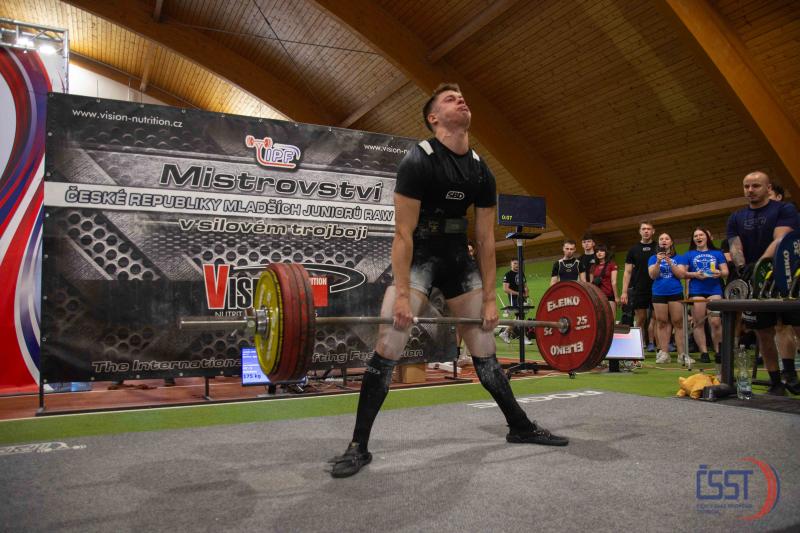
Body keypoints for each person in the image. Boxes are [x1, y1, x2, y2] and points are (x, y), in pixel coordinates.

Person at [328, 83, 568, 478]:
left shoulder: (480, 170)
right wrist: (402, 295)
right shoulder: (418, 160)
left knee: (485, 348)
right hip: (420, 253)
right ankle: (358, 446)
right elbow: (403, 234)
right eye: (449, 99)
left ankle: (520, 426)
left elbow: (485, 240)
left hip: (458, 257)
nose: (461, 99)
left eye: (461, 97)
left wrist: (489, 299)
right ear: (434, 118)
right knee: (390, 341)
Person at [727, 171, 799, 395]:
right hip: (755, 282)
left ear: (768, 188)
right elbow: (735, 246)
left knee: (793, 327)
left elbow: (781, 239)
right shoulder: (736, 217)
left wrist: (760, 264)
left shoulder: (784, 210)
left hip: (785, 278)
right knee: (763, 332)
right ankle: (776, 383)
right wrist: (742, 267)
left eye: (756, 186)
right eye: (746, 186)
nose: (750, 190)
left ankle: (791, 374)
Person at [767, 185, 800, 391]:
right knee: (780, 325)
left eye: (769, 196)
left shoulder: (793, 218)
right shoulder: (766, 225)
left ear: (779, 197)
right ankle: (789, 373)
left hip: (796, 277)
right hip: (776, 280)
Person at [683, 228, 728, 363]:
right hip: (696, 291)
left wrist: (720, 273)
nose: (698, 237)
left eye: (701, 235)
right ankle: (704, 352)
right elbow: (683, 273)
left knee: (715, 322)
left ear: (707, 237)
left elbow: (726, 271)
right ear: (693, 239)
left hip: (714, 290)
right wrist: (695, 274)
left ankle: (719, 352)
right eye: (695, 236)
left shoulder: (717, 253)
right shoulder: (689, 254)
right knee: (698, 322)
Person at [648, 232, 689, 365]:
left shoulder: (679, 258)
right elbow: (653, 275)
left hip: (675, 292)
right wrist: (659, 261)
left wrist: (670, 262)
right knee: (661, 322)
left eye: (667, 238)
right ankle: (664, 353)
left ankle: (682, 354)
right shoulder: (653, 258)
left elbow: (681, 275)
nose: (664, 241)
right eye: (661, 239)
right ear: (659, 243)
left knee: (678, 322)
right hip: (659, 293)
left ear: (671, 242)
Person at [620, 221, 657, 351]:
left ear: (653, 231)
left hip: (657, 287)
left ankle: (653, 343)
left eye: (649, 229)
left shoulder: (658, 247)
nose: (646, 231)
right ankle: (639, 345)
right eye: (643, 229)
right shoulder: (633, 250)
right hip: (639, 288)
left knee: (656, 318)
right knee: (641, 318)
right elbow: (627, 272)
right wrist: (624, 292)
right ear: (640, 231)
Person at [500, 259, 531, 344]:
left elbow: (525, 286)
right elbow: (505, 289)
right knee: (520, 316)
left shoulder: (521, 274)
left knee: (519, 317)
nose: (517, 265)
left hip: (522, 298)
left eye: (518, 263)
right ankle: (523, 337)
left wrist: (526, 293)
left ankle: (505, 333)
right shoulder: (508, 275)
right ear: (511, 265)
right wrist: (518, 293)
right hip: (514, 298)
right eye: (514, 263)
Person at [589, 244, 618, 316]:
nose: (599, 253)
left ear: (606, 252)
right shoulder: (593, 267)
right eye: (597, 251)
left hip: (609, 295)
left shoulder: (612, 264)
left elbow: (614, 282)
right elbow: (591, 284)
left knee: (611, 319)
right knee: (600, 319)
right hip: (597, 297)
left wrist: (616, 297)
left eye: (601, 251)